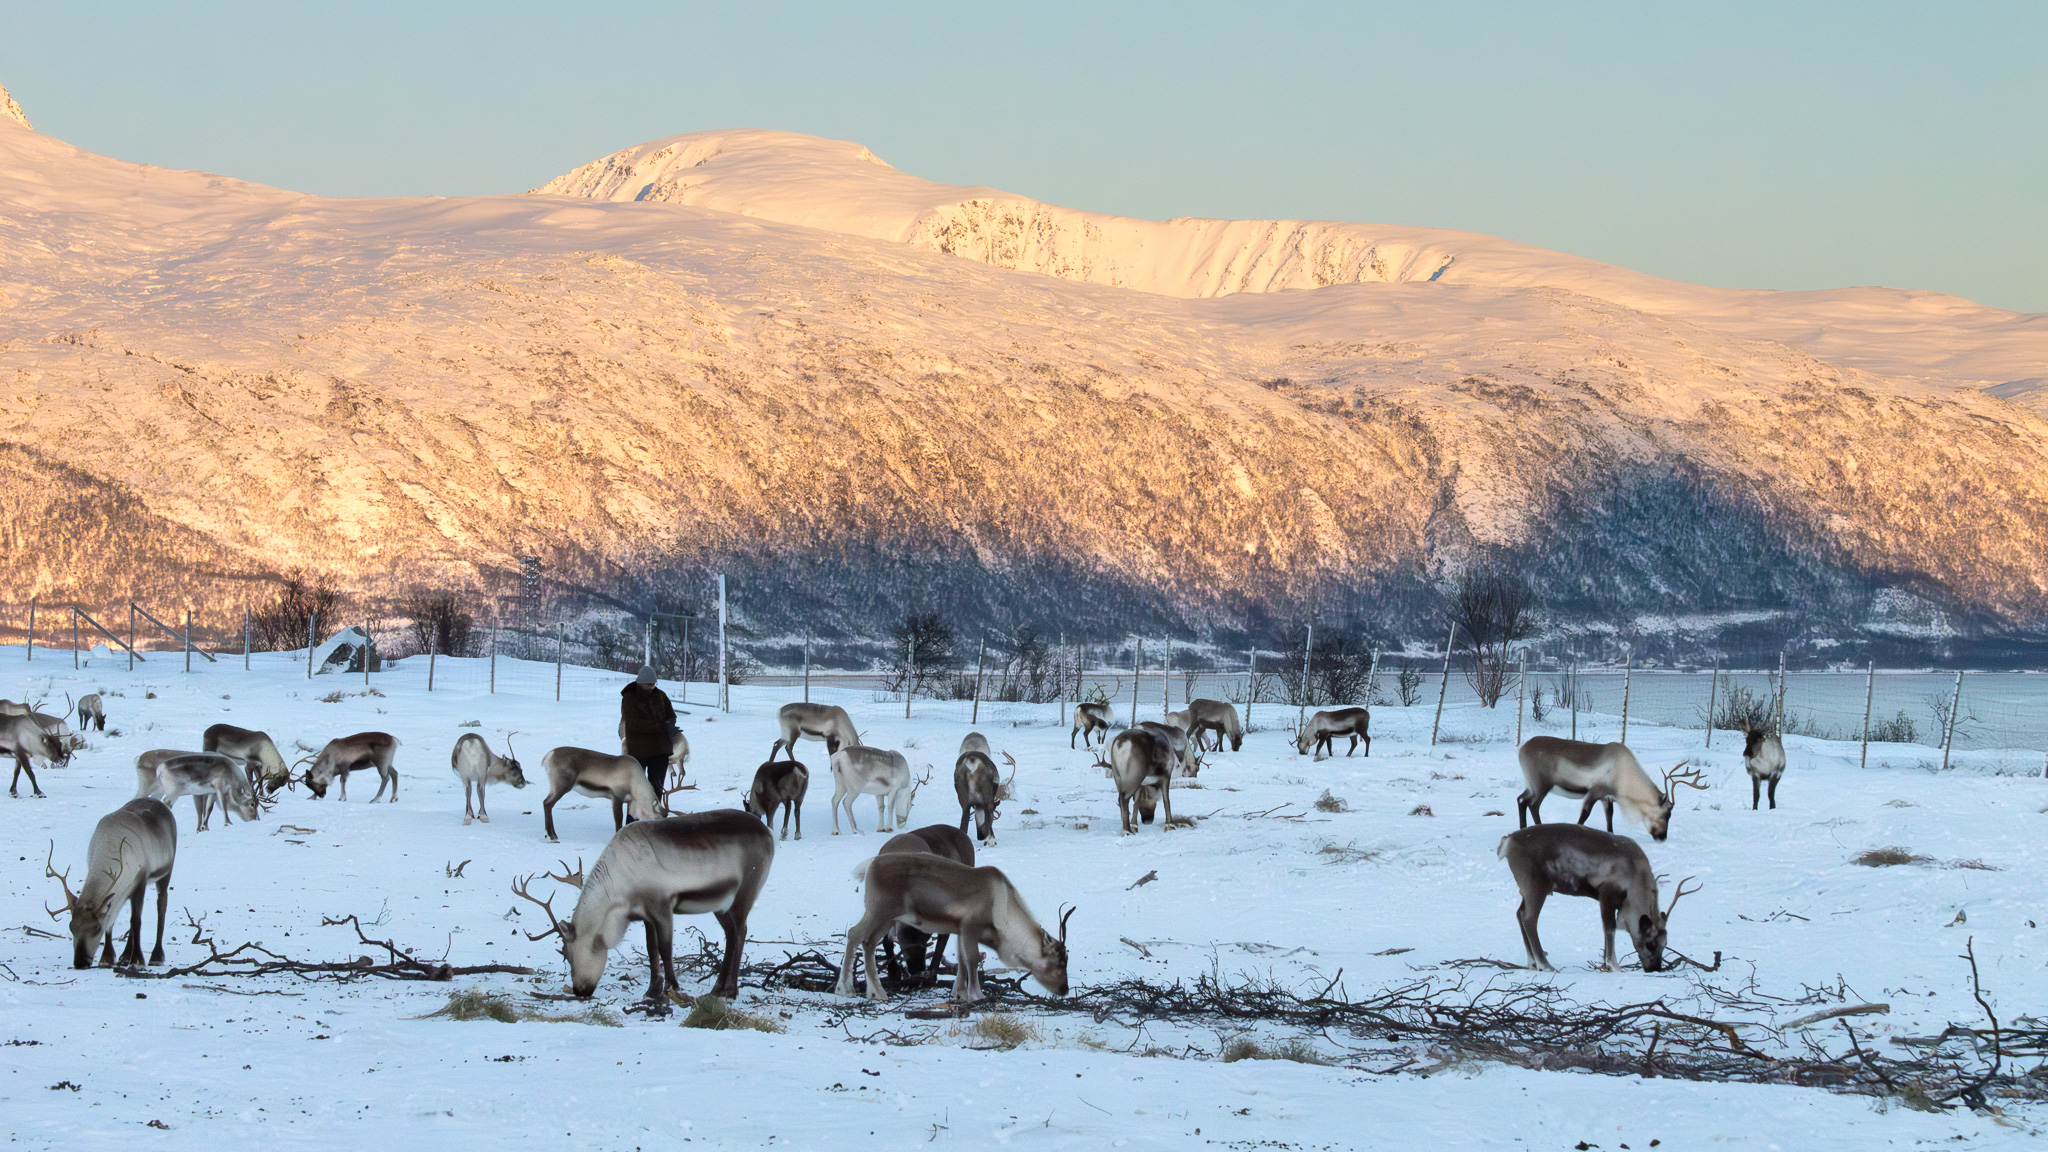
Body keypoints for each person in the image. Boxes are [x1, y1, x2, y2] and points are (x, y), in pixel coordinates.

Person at [620, 665, 676, 815]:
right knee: (636, 787)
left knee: (656, 788)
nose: (651, 687)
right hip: (639, 751)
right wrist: (660, 728)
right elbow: (635, 724)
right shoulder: (629, 698)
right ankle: (632, 822)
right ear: (640, 683)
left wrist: (669, 725)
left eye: (653, 684)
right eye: (648, 684)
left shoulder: (661, 696)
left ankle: (653, 819)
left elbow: (671, 716)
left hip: (660, 751)